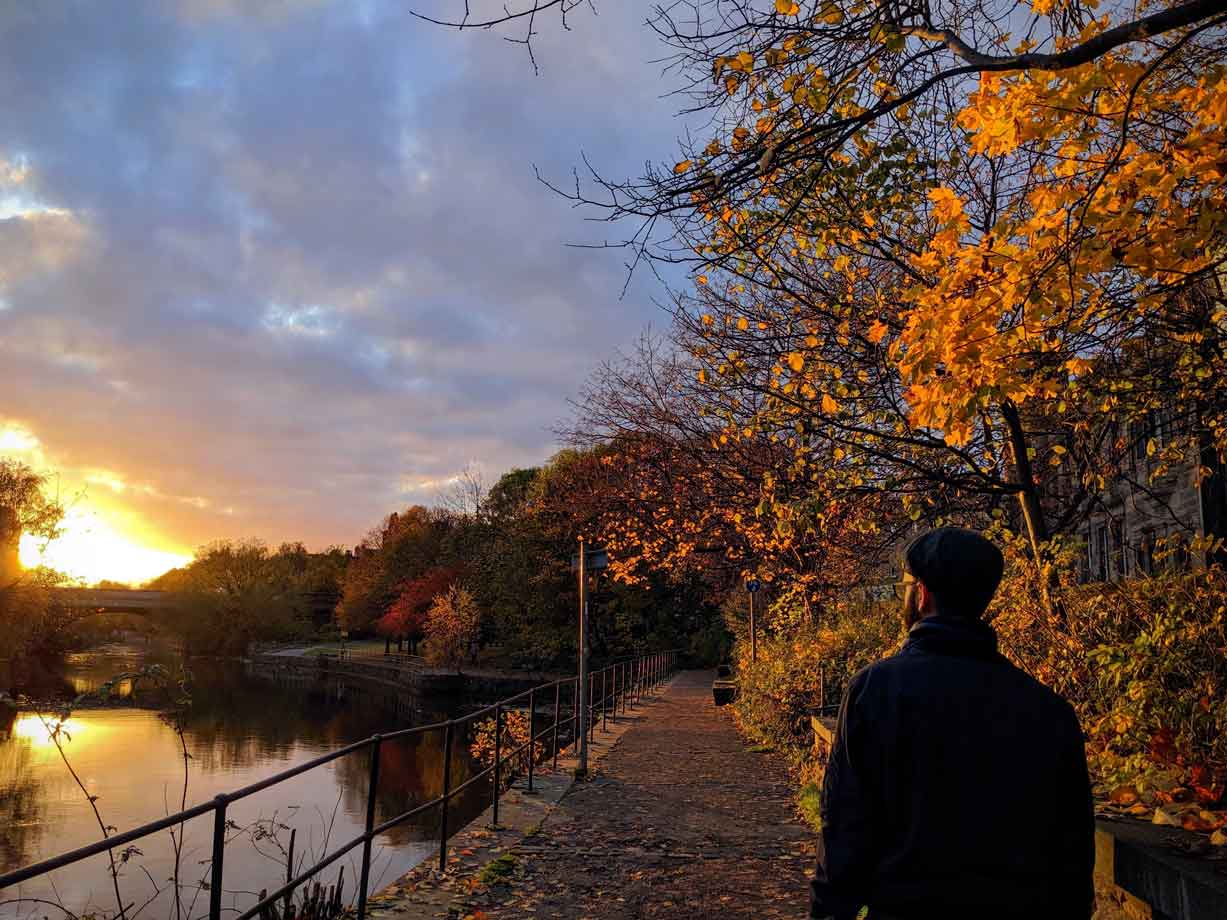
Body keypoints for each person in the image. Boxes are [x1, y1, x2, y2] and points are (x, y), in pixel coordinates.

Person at [810, 527, 1094, 920]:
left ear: (922, 594)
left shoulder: (874, 691)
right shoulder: (1048, 710)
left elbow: (844, 826)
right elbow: (1072, 854)